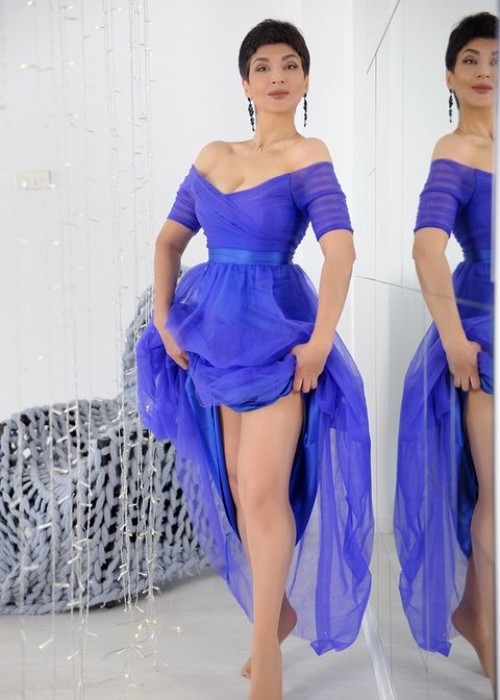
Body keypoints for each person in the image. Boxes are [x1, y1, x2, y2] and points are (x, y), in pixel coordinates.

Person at [136, 19, 373, 700]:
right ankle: (279, 615)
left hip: (275, 333)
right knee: (240, 487)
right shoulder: (213, 155)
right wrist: (163, 316)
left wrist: (320, 340)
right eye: (263, 67)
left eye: (290, 65)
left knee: (265, 490)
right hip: (211, 334)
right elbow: (169, 240)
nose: (277, 77)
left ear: (305, 80)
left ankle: (265, 651)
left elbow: (340, 251)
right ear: (245, 83)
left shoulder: (309, 154)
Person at [394, 11, 497, 688]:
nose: (485, 71)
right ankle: (486, 629)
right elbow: (426, 247)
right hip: (483, 326)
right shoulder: (454, 148)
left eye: (496, 59)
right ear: (450, 77)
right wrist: (458, 342)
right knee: (494, 491)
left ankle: (474, 612)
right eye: (471, 60)